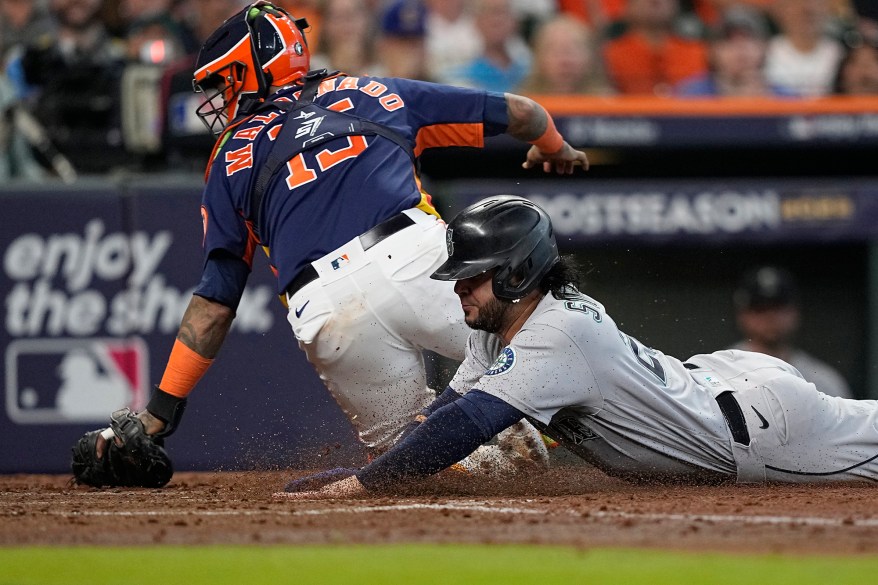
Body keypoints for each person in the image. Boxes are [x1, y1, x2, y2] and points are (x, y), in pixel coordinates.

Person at [93, 2, 588, 471]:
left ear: (253, 70)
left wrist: (161, 409)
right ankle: (605, 425)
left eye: (225, 82)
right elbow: (522, 112)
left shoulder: (228, 156)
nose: (220, 99)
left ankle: (482, 448)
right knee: (558, 353)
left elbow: (215, 302)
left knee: (418, 465)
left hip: (327, 312)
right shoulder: (370, 90)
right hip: (419, 262)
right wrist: (556, 147)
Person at [277, 195, 878, 499]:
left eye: (473, 276)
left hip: (760, 431)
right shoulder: (505, 325)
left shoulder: (555, 332)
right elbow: (443, 415)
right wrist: (362, 473)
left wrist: (362, 485)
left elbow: (467, 428)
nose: (459, 289)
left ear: (517, 273)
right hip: (721, 390)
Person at [731, 266, 853, 399]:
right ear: (742, 315)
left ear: (795, 312)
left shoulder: (823, 381)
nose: (770, 316)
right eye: (760, 308)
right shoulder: (720, 372)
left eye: (778, 307)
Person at [676, 6, 795, 97]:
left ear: (764, 47)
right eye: (728, 39)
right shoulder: (689, 96)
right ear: (712, 51)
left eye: (748, 37)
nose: (740, 46)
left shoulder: (787, 100)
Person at [602, 0, 709, 95]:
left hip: (688, 115)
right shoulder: (611, 54)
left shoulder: (696, 52)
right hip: (631, 116)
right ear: (627, 6)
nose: (655, 1)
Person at [439, 0, 532, 93]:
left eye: (503, 12)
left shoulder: (530, 69)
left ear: (515, 21)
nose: (497, 20)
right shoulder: (460, 78)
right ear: (475, 21)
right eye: (490, 12)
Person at [516, 14, 614, 96]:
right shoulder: (522, 107)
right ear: (538, 56)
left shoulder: (609, 105)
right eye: (555, 50)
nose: (565, 60)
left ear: (591, 56)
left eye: (575, 49)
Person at [764, 0, 845, 97]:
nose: (808, 10)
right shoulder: (765, 52)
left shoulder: (840, 55)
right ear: (782, 10)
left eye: (817, 5)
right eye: (798, 5)